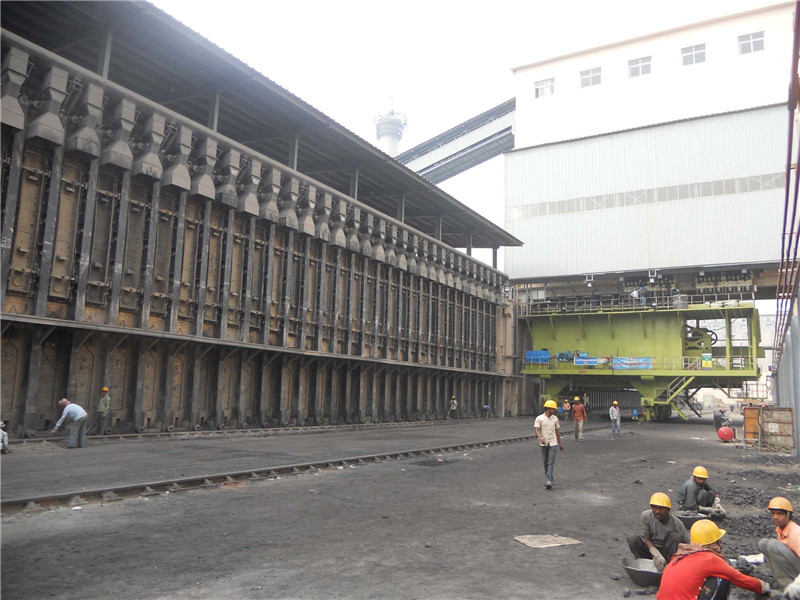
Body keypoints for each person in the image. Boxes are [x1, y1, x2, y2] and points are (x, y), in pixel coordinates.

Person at [657, 519, 769, 600]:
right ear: (713, 542)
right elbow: (738, 578)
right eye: (718, 540)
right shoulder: (709, 558)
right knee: (721, 578)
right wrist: (762, 587)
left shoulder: (681, 555)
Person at [742, 496, 800, 589]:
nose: (775, 517)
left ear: (788, 515)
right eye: (773, 513)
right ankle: (780, 580)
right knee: (764, 544)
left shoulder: (795, 533)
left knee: (773, 545)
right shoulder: (781, 529)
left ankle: (788, 584)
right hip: (794, 568)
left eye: (780, 514)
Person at [627, 492, 689, 572]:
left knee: (675, 537)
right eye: (654, 508)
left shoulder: (677, 524)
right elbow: (647, 539)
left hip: (667, 552)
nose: (657, 511)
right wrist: (656, 554)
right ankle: (645, 564)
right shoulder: (646, 516)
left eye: (661, 508)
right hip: (651, 549)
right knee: (633, 539)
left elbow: (687, 545)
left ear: (668, 509)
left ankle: (669, 568)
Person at [534, 399, 564, 490]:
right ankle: (549, 477)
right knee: (545, 462)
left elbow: (557, 432)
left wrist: (560, 443)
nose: (554, 410)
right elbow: (536, 429)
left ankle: (548, 480)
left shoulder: (555, 419)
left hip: (553, 442)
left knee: (550, 462)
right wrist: (540, 437)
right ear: (548, 409)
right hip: (543, 443)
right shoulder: (540, 418)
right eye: (553, 409)